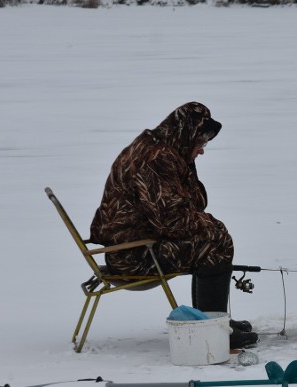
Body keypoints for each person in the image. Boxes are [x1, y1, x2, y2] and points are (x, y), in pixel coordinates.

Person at [89, 102, 257, 349]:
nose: (201, 151)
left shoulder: (158, 148)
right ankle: (213, 330)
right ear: (186, 135)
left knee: (211, 235)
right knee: (216, 241)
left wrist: (187, 163)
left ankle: (210, 322)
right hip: (134, 256)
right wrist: (212, 224)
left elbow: (194, 205)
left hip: (131, 247)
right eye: (200, 143)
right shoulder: (157, 159)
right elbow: (174, 221)